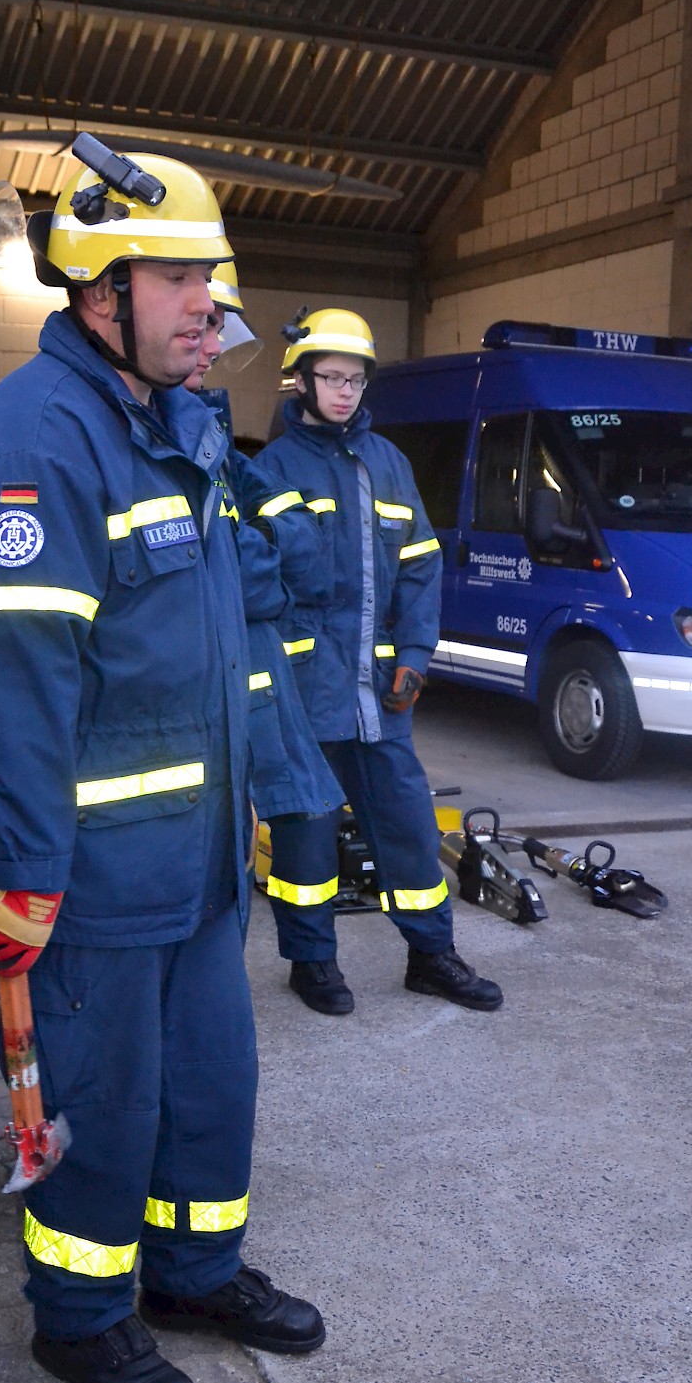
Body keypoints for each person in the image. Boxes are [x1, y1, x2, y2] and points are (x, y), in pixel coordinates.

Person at [0, 148, 324, 1383]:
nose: (206, 306)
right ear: (99, 296)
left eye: (210, 277)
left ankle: (194, 1273)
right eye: (178, 279)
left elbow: (219, 649)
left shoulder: (181, 422)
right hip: (90, 881)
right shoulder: (35, 446)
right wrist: (31, 875)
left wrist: (258, 801)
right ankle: (84, 1319)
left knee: (212, 1092)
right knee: (104, 1110)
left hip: (199, 863)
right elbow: (13, 693)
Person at [255, 309, 503, 1014]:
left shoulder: (388, 464)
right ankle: (312, 965)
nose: (344, 392)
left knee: (408, 830)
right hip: (304, 693)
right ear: (300, 379)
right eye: (331, 377)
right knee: (304, 841)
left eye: (356, 380)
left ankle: (431, 956)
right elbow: (257, 591)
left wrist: (417, 656)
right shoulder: (267, 472)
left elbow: (421, 566)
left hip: (379, 696)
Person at [181, 270, 346, 960]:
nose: (213, 345)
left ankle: (313, 960)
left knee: (307, 806)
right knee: (205, 834)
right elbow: (225, 571)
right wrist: (256, 565)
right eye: (205, 326)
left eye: (219, 328)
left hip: (255, 659)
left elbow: (302, 554)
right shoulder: (140, 428)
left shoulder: (210, 429)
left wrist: (254, 558)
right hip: (196, 670)